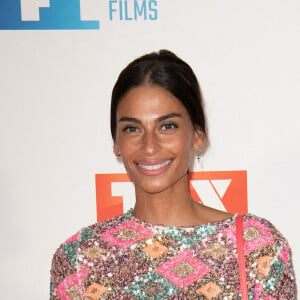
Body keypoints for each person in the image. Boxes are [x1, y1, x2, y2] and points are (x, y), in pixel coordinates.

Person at [50, 50, 296, 299]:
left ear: (197, 136)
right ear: (116, 142)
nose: (149, 146)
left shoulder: (256, 247)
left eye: (167, 126)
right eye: (132, 128)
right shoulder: (79, 258)